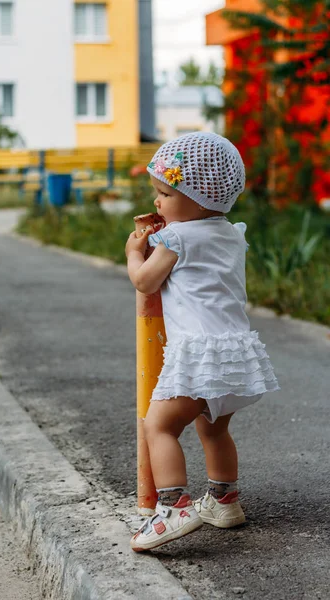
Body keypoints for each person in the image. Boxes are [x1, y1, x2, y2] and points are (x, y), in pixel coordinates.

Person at [125, 132, 280, 552]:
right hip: (234, 353)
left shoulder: (177, 239)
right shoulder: (230, 234)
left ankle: (173, 508)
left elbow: (145, 281)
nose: (157, 202)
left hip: (199, 353)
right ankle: (224, 499)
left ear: (196, 199)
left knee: (159, 426)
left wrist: (133, 252)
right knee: (213, 430)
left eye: (163, 194)